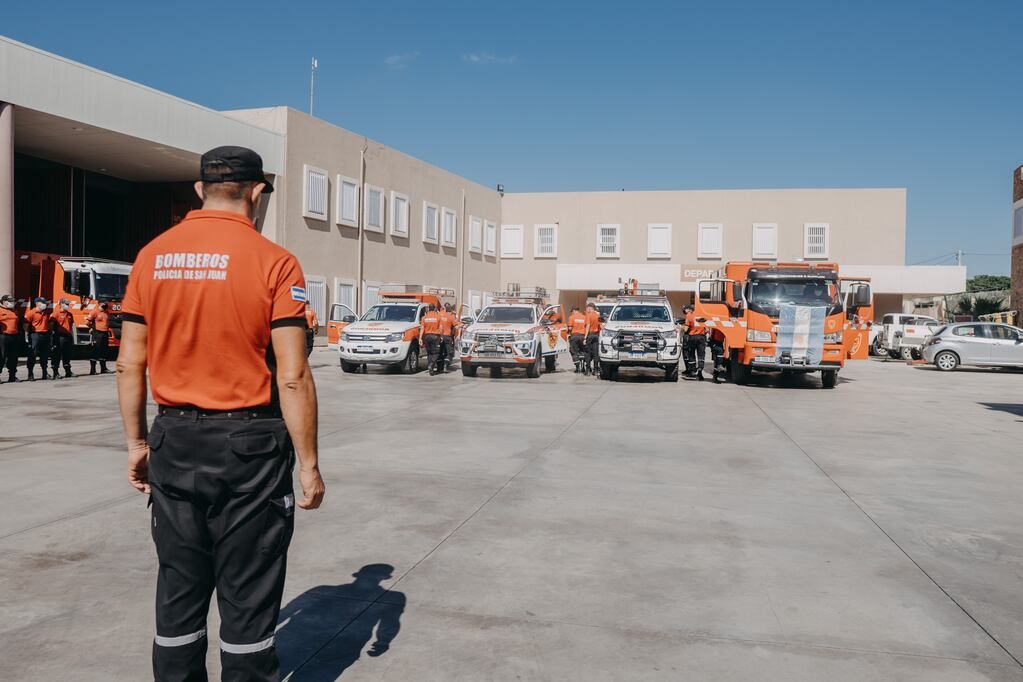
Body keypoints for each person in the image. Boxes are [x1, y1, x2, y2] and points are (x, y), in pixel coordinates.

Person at [116, 145, 325, 682]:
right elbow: (293, 373)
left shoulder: (151, 256)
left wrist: (138, 445)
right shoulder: (275, 262)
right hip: (249, 450)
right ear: (256, 194)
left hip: (174, 440)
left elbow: (127, 365)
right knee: (249, 596)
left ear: (198, 190)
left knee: (179, 591)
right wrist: (308, 464)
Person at [24, 297, 52, 381]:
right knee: (33, 354)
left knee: (45, 355)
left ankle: (44, 372)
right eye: (42, 303)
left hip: (45, 335)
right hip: (35, 335)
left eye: (45, 303)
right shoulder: (31, 313)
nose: (44, 304)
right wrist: (28, 334)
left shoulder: (46, 312)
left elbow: (49, 323)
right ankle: (30, 374)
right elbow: (25, 325)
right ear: (37, 303)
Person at [50, 298, 75, 379]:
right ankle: (55, 372)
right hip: (59, 337)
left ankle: (68, 371)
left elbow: (71, 325)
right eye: (66, 304)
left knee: (67, 354)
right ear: (61, 304)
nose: (68, 306)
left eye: (68, 304)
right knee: (56, 355)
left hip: (68, 337)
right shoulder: (55, 314)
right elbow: (51, 326)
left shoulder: (70, 314)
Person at [86, 301, 114, 375]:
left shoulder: (107, 312)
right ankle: (93, 370)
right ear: (100, 305)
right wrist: (92, 328)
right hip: (97, 333)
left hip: (105, 333)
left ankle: (103, 368)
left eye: (105, 307)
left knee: (104, 350)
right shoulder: (94, 312)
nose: (104, 308)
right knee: (95, 350)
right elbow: (87, 322)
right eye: (103, 306)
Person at [684, 306, 708, 380]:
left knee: (691, 354)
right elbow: (707, 330)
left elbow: (685, 329)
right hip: (701, 337)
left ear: (691, 310)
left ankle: (692, 371)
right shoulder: (704, 317)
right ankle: (700, 369)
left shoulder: (690, 316)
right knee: (701, 355)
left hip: (693, 337)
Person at [0, 294, 20, 383]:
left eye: (13, 301)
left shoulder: (14, 311)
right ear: (4, 302)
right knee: (2, 356)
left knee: (13, 357)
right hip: (3, 336)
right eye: (11, 301)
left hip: (14, 336)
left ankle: (12, 376)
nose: (13, 303)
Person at [419, 303, 443, 375]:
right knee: (436, 353)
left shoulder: (424, 318)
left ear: (428, 309)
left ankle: (431, 370)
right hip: (435, 336)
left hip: (427, 336)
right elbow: (441, 328)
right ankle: (431, 365)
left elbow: (422, 328)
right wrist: (441, 336)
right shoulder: (438, 317)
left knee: (429, 353)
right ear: (435, 309)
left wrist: (420, 338)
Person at [567, 306, 589, 374]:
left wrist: (567, 331)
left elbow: (570, 328)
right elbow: (587, 326)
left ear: (574, 310)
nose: (572, 313)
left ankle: (577, 368)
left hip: (574, 336)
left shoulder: (571, 317)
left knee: (574, 351)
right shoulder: (584, 317)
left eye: (572, 311)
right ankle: (584, 366)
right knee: (583, 351)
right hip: (583, 336)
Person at [438, 303, 457, 373]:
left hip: (440, 336)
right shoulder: (451, 316)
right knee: (449, 352)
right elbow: (455, 326)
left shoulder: (439, 314)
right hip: (448, 336)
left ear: (444, 308)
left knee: (440, 352)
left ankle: (439, 368)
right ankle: (446, 366)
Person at [584, 302, 602, 376]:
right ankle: (595, 370)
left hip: (590, 335)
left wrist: (585, 338)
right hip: (596, 335)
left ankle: (588, 370)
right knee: (595, 354)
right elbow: (600, 327)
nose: (587, 310)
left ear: (592, 308)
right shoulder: (598, 316)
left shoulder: (589, 315)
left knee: (588, 353)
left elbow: (587, 326)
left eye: (589, 308)